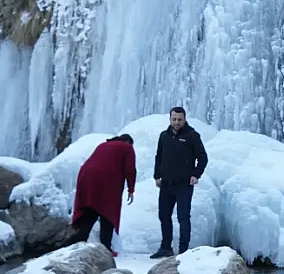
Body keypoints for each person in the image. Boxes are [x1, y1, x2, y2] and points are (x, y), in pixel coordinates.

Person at [150, 107, 209, 258]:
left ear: (184, 119)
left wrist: (196, 175)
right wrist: (157, 175)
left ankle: (183, 251)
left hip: (184, 184)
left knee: (183, 217)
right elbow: (159, 156)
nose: (176, 122)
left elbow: (203, 157)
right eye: (174, 119)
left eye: (179, 119)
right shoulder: (164, 136)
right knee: (164, 215)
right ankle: (165, 247)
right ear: (170, 119)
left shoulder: (192, 136)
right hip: (166, 183)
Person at [72, 134, 136, 259]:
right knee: (108, 212)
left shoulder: (103, 145)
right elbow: (130, 169)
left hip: (86, 176)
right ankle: (105, 248)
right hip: (106, 180)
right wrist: (131, 189)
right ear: (128, 142)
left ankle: (78, 243)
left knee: (90, 209)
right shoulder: (127, 147)